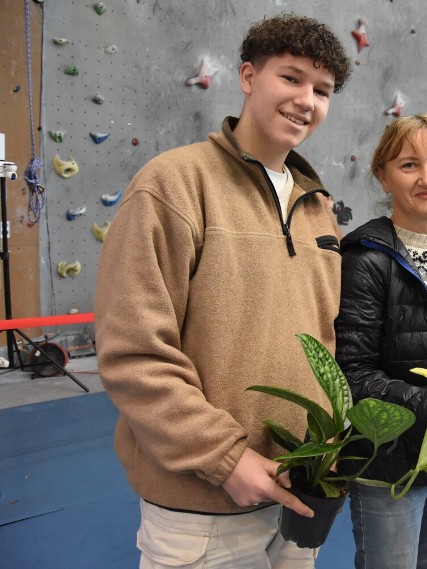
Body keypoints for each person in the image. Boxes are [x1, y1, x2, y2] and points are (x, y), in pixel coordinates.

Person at [93, 14, 351, 568]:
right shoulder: (174, 184)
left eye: (322, 90)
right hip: (202, 506)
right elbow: (133, 352)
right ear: (248, 76)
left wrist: (327, 450)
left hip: (298, 493)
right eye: (292, 78)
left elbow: (324, 340)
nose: (307, 99)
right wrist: (225, 457)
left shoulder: (319, 207)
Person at [334, 113, 427, 569]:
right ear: (382, 174)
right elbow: (353, 372)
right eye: (408, 165)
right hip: (391, 453)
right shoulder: (367, 258)